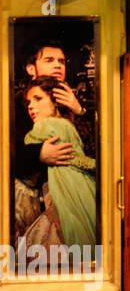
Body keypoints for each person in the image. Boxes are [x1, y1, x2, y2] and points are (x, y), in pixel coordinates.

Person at [19, 78, 98, 248]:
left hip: (65, 194)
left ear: (56, 101)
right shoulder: (70, 126)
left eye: (38, 99)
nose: (31, 106)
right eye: (28, 102)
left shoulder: (44, 127)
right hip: (86, 192)